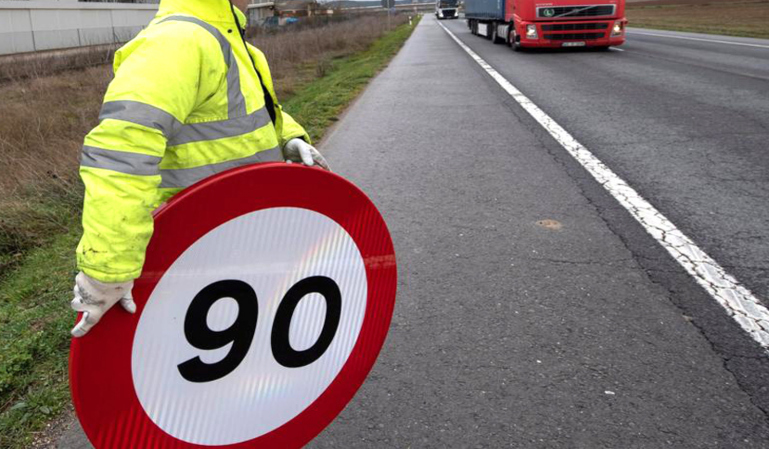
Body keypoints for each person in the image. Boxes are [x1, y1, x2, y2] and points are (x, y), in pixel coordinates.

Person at [70, 0, 328, 337]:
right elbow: (122, 151)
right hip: (191, 253)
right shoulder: (177, 41)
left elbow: (258, 114)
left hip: (248, 237)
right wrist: (108, 269)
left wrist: (289, 137)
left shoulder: (238, 45)